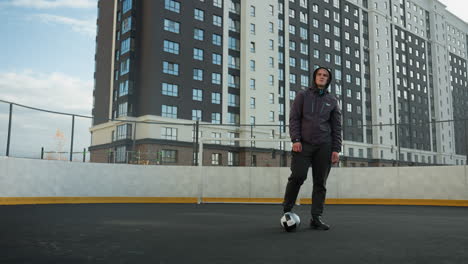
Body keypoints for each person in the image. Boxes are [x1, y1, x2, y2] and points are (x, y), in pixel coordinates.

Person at [282, 67, 342, 230]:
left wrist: (336, 149)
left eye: (325, 76)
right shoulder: (303, 95)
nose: (322, 77)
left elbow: (336, 127)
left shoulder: (332, 100)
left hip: (325, 146)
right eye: (319, 75)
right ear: (314, 77)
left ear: (328, 80)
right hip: (303, 144)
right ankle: (287, 210)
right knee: (298, 176)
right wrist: (295, 139)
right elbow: (294, 118)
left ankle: (316, 217)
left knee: (320, 183)